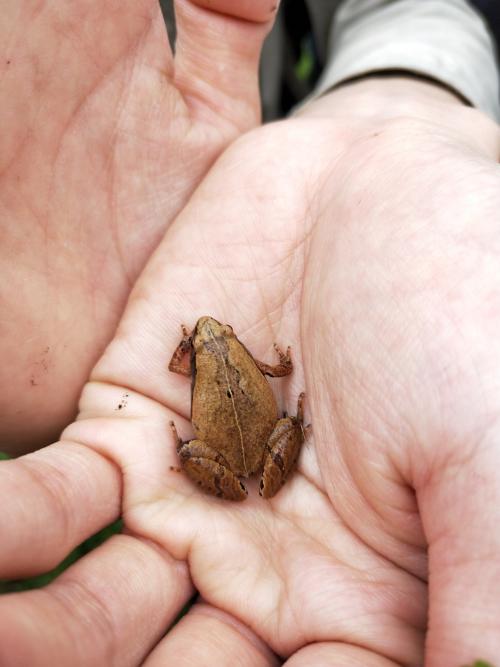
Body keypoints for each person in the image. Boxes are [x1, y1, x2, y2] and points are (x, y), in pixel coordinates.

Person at [1, 0, 500, 664]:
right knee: (270, 434)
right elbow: (269, 369)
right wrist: (275, 367)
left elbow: (406, 11)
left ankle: (194, 455)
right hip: (265, 442)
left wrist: (393, 116)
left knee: (198, 452)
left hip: (226, 449)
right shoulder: (234, 355)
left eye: (212, 339)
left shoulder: (204, 362)